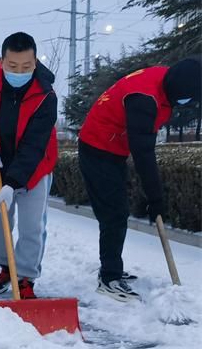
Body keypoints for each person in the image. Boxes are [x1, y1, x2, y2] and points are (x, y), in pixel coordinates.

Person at [78, 58, 201, 301]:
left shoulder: (165, 79)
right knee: (114, 214)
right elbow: (143, 152)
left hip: (113, 148)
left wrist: (152, 195)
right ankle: (109, 278)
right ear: (179, 91)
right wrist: (155, 197)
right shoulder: (144, 99)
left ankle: (113, 268)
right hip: (97, 148)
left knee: (117, 211)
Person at [0, 32, 58, 299]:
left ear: (35, 63)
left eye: (26, 67)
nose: (19, 71)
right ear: (1, 60)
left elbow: (34, 146)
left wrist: (13, 183)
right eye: (12, 66)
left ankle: (25, 278)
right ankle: (7, 268)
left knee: (32, 228)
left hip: (33, 169)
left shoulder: (45, 95)